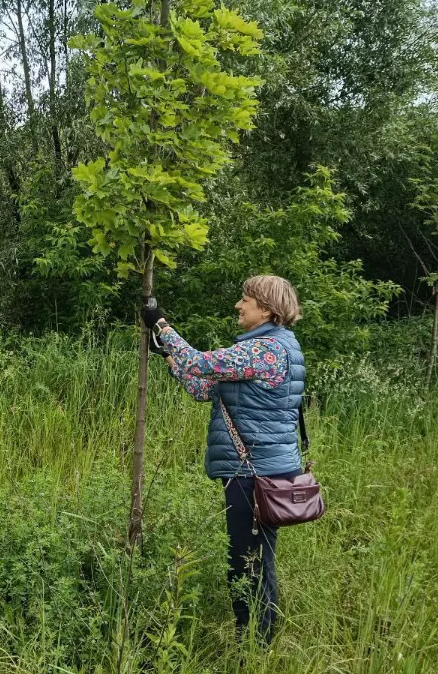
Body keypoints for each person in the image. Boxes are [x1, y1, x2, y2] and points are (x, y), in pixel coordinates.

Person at [143, 275, 305, 645]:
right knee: (253, 557)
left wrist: (162, 325)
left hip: (254, 473)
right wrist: (169, 355)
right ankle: (256, 638)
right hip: (260, 469)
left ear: (266, 309)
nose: (238, 305)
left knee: (247, 562)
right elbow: (204, 388)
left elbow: (199, 363)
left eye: (245, 299)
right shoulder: (273, 348)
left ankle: (254, 645)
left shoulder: (265, 350)